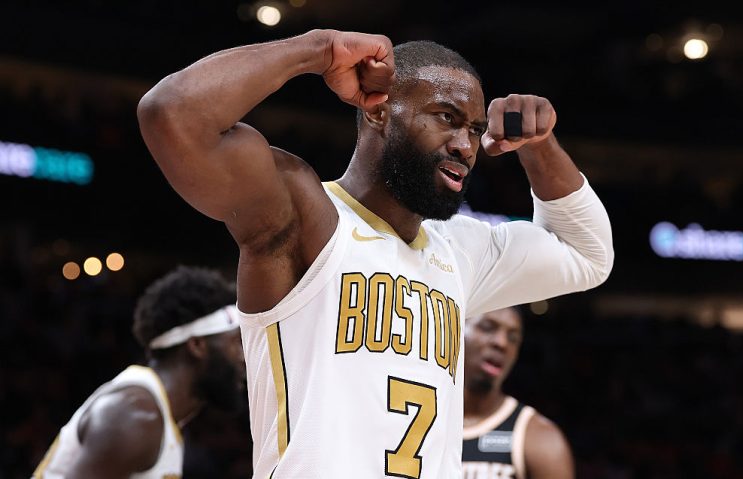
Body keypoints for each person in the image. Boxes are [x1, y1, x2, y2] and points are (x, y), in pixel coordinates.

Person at [137, 29, 613, 478]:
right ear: (379, 110)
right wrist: (318, 49)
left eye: (474, 129)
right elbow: (172, 114)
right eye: (446, 118)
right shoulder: (305, 216)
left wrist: (538, 145)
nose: (465, 146)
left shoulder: (460, 250)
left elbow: (587, 255)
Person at [32, 266, 245, 479]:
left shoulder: (158, 416)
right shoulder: (136, 416)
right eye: (237, 342)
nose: (245, 358)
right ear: (197, 345)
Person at [463, 307, 574, 479]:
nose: (502, 343)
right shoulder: (421, 417)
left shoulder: (540, 438)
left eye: (513, 338)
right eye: (487, 327)